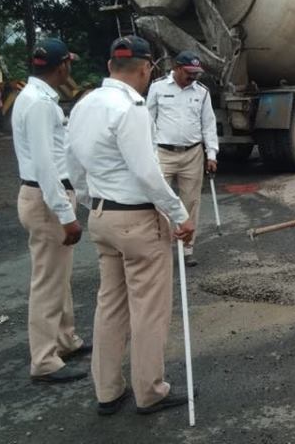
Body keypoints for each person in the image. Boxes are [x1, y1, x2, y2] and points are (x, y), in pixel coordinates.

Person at [66, 36, 195, 416]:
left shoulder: (84, 104)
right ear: (145, 69)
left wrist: (92, 202)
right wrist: (179, 213)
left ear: (110, 67)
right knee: (149, 310)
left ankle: (107, 390)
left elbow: (73, 165)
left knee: (110, 305)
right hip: (137, 219)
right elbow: (147, 172)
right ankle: (150, 391)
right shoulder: (132, 108)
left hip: (103, 216)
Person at [12, 37, 91, 383]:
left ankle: (64, 339)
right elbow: (46, 166)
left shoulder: (31, 97)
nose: (69, 68)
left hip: (43, 195)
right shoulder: (41, 104)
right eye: (68, 63)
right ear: (61, 66)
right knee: (47, 281)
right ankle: (44, 360)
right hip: (46, 199)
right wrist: (66, 214)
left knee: (58, 277)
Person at [147, 50, 218, 268]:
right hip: (164, 153)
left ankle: (187, 249)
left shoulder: (202, 92)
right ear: (176, 68)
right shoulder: (157, 87)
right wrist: (149, 153)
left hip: (192, 154)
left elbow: (208, 124)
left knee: (190, 203)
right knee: (159, 202)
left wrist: (212, 153)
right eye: (189, 73)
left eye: (196, 73)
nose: (193, 77)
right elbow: (148, 121)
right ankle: (161, 249)